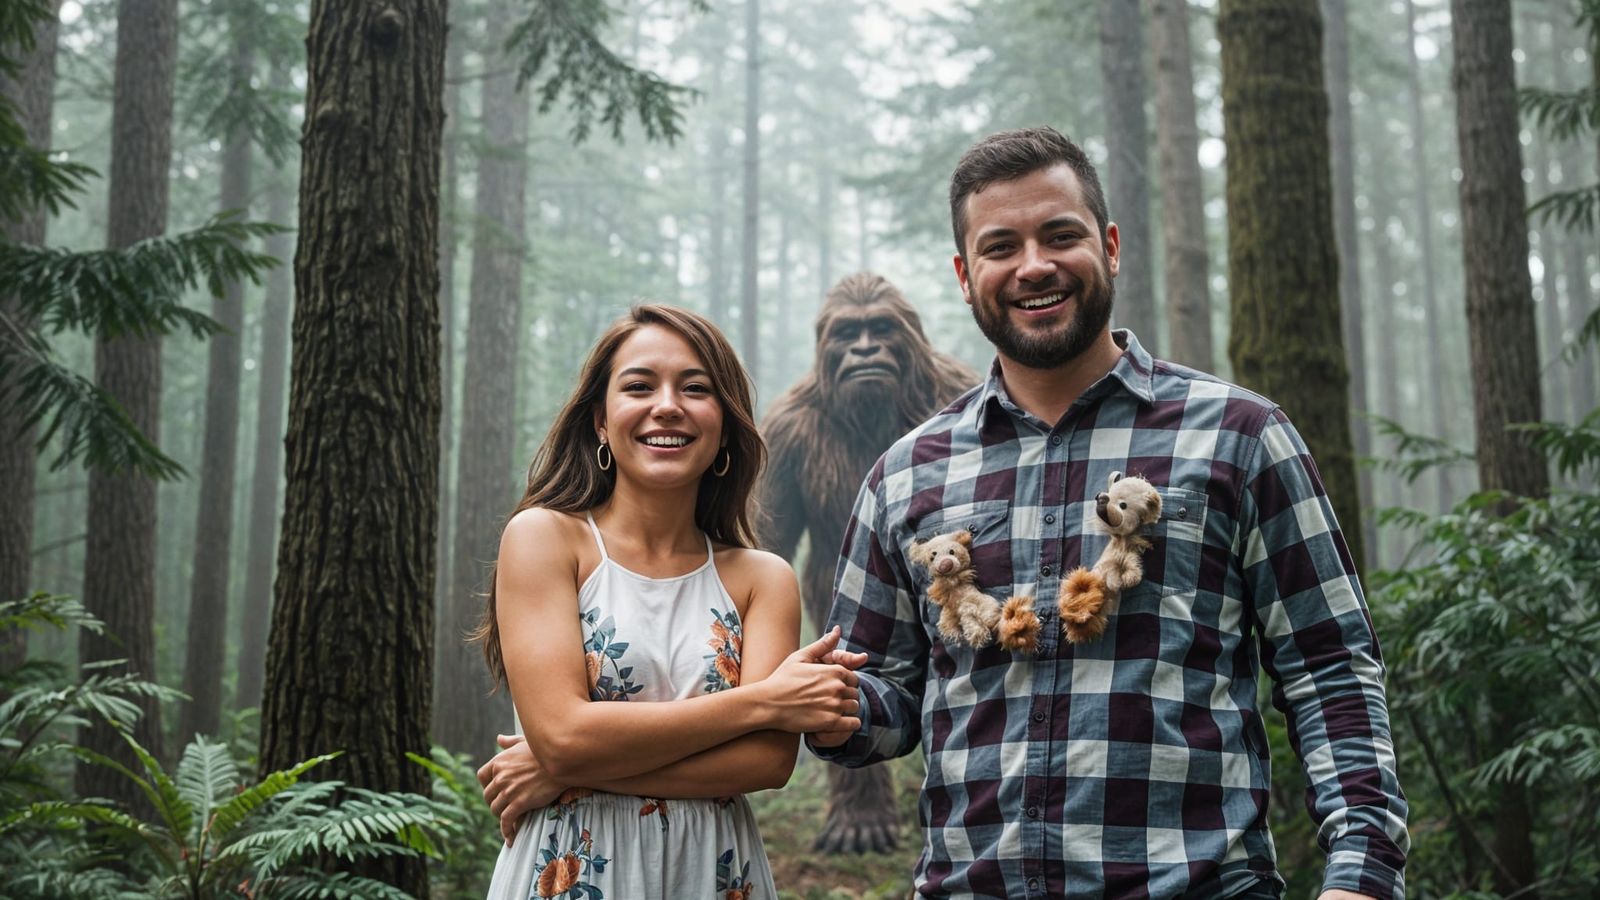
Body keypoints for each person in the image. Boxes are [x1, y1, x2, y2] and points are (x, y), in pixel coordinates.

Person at [804, 127, 1409, 899]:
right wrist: (823, 706)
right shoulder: (906, 474)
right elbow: (888, 700)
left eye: (1061, 236)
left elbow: (1328, 666)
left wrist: (1362, 870)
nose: (1034, 266)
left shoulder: (1240, 436)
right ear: (964, 275)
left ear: (1111, 246)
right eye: (1001, 247)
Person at [477, 304, 865, 899]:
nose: (667, 405)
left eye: (695, 388)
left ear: (725, 424)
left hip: (711, 869)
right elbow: (563, 736)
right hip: (570, 869)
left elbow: (765, 764)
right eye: (638, 386)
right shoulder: (544, 539)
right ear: (601, 422)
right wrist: (766, 699)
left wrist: (563, 773)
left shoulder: (763, 578)